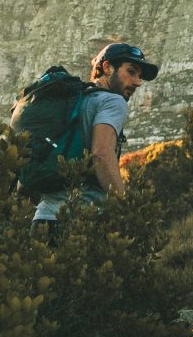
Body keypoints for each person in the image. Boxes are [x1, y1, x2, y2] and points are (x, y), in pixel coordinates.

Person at [30, 41, 158, 238]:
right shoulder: (113, 102)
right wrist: (127, 210)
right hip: (81, 220)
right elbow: (101, 154)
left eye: (140, 76)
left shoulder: (77, 101)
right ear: (107, 68)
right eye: (131, 72)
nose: (137, 82)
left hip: (42, 220)